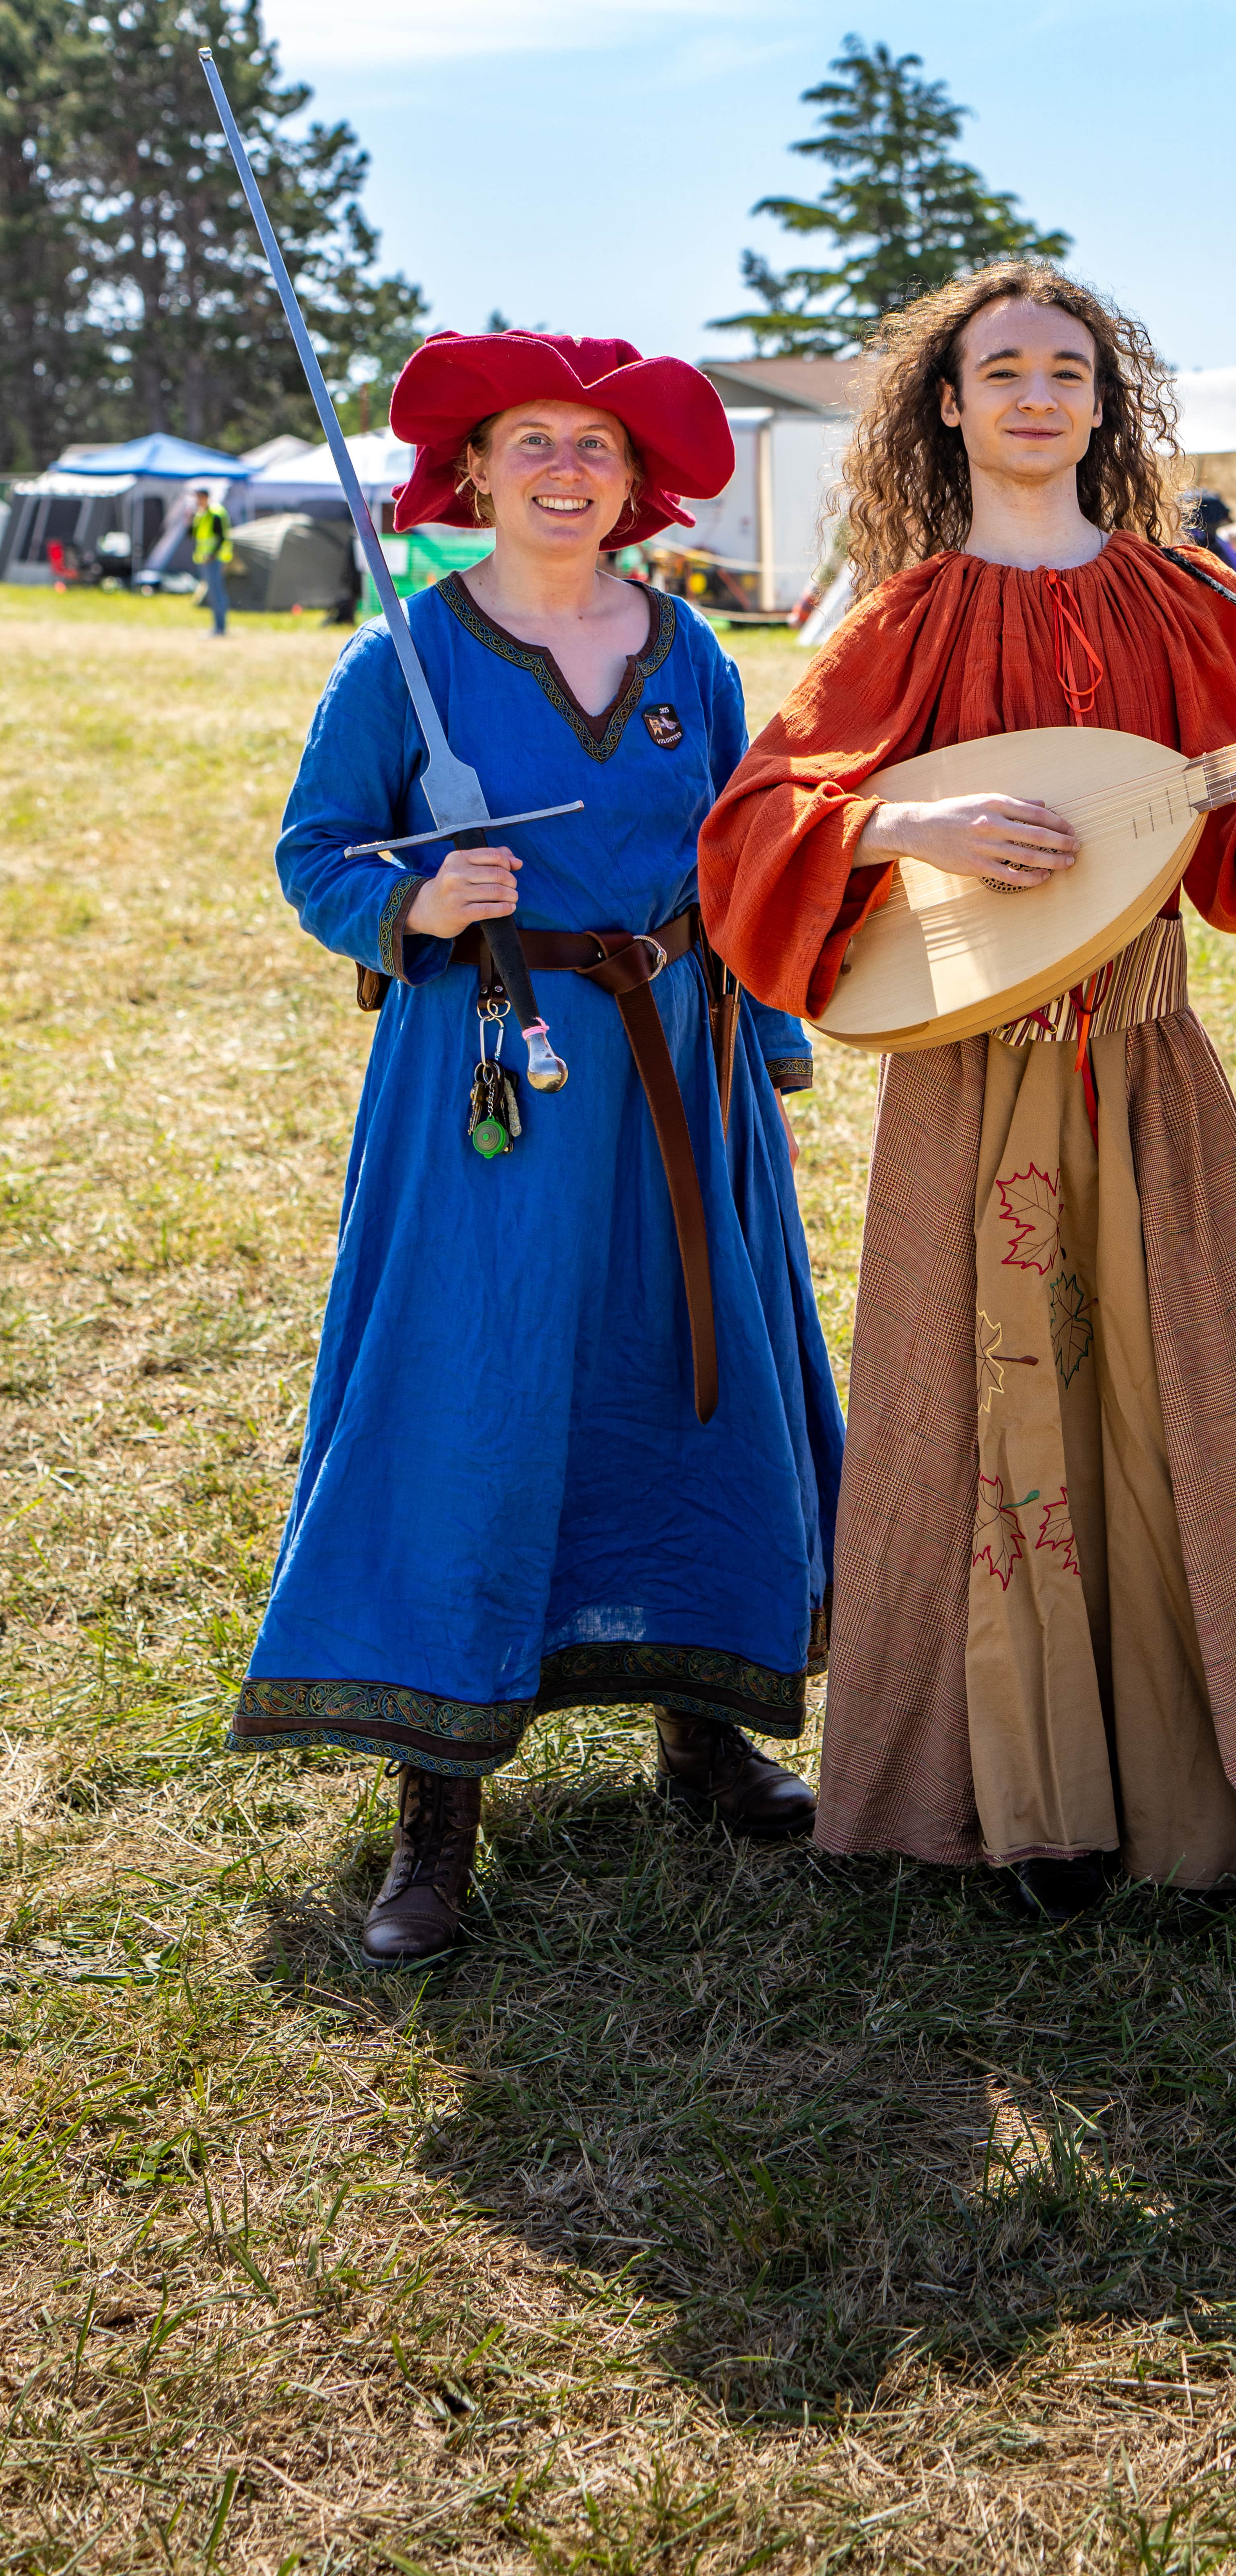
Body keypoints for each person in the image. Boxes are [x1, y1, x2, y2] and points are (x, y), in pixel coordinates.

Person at [701, 260, 1236, 1928]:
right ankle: (1005, 1798)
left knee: (1193, 1395)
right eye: (1000, 369)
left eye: (1066, 371)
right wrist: (903, 827)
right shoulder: (905, 616)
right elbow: (758, 821)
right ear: (947, 406)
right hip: (967, 1071)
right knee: (975, 1397)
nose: (1034, 396)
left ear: (1105, 404)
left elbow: (1228, 848)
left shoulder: (1190, 606)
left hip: (1145, 1051)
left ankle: (1193, 1787)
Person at [233, 328, 845, 1965]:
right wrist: (412, 902)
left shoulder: (690, 652)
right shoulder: (401, 665)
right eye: (533, 444)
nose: (566, 471)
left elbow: (739, 862)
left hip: (679, 1083)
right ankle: (440, 1807)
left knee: (680, 1380)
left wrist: (762, 1048)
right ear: (476, 476)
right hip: (492, 1087)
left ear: (636, 486)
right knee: (477, 1397)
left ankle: (704, 1730)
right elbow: (312, 854)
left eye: (596, 448)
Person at [190, 485, 232, 636]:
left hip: (215, 560)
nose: (196, 501)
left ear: (205, 497)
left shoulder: (215, 513)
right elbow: (193, 536)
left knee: (217, 592)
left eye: (198, 497)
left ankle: (220, 627)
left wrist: (213, 555)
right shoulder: (200, 514)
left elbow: (222, 537)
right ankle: (218, 626)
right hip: (204, 559)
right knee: (213, 592)